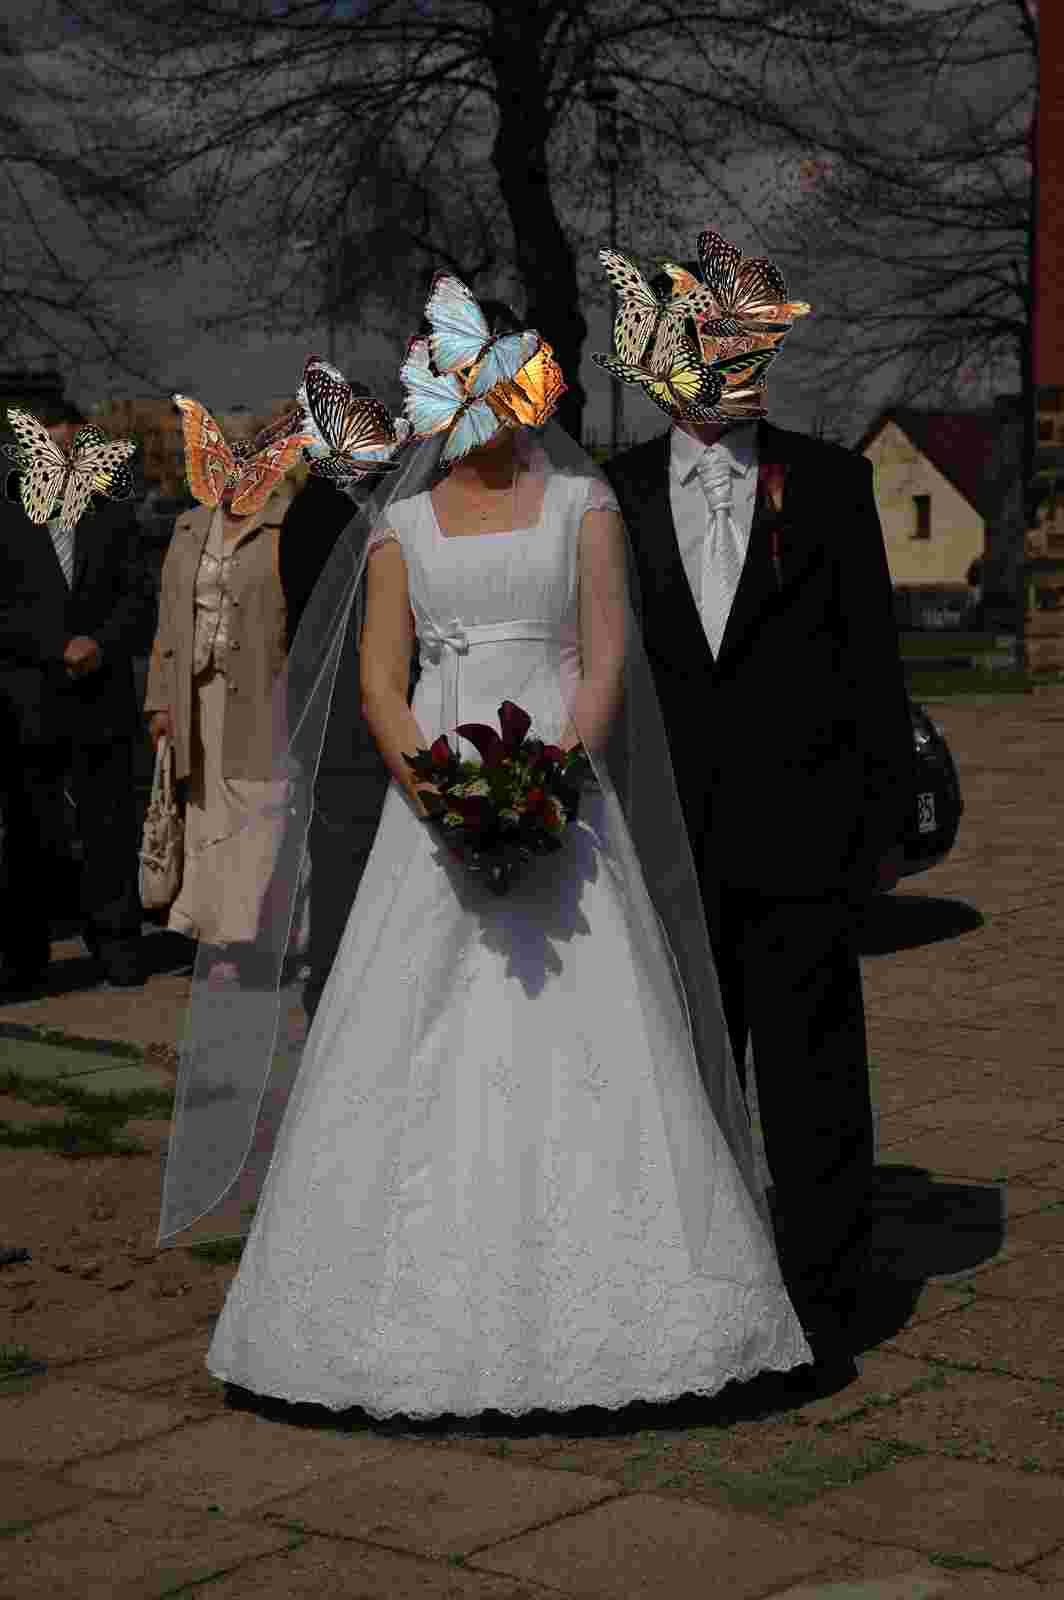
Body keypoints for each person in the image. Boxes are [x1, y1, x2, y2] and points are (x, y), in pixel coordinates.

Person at [197, 289, 813, 1421]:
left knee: (598, 1037)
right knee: (400, 1038)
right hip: (432, 804)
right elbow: (381, 678)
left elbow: (605, 662)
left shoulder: (584, 504)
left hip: (561, 798)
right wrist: (440, 792)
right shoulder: (402, 523)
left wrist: (546, 787)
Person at [597, 237, 914, 1385]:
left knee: (811, 1074)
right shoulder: (614, 495)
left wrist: (879, 824)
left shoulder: (826, 483)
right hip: (665, 841)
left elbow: (869, 661)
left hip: (801, 836)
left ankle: (830, 1292)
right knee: (679, 1077)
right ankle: (683, 1285)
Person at [143, 418, 301, 984]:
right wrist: (160, 700)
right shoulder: (188, 526)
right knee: (206, 820)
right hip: (195, 699)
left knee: (259, 817)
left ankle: (254, 938)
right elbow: (167, 620)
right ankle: (216, 939)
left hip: (262, 694)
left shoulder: (285, 526)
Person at [0, 412, 154, 992]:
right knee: (31, 831)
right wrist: (54, 647)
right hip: (28, 702)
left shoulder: (112, 514)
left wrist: (101, 644)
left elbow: (139, 599)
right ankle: (26, 953)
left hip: (101, 694)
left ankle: (117, 944)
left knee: (109, 826)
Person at [278, 447, 419, 1022]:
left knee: (350, 852)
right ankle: (338, 988)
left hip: (350, 704)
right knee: (346, 852)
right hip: (348, 709)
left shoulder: (315, 507)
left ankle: (344, 986)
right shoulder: (333, 513)